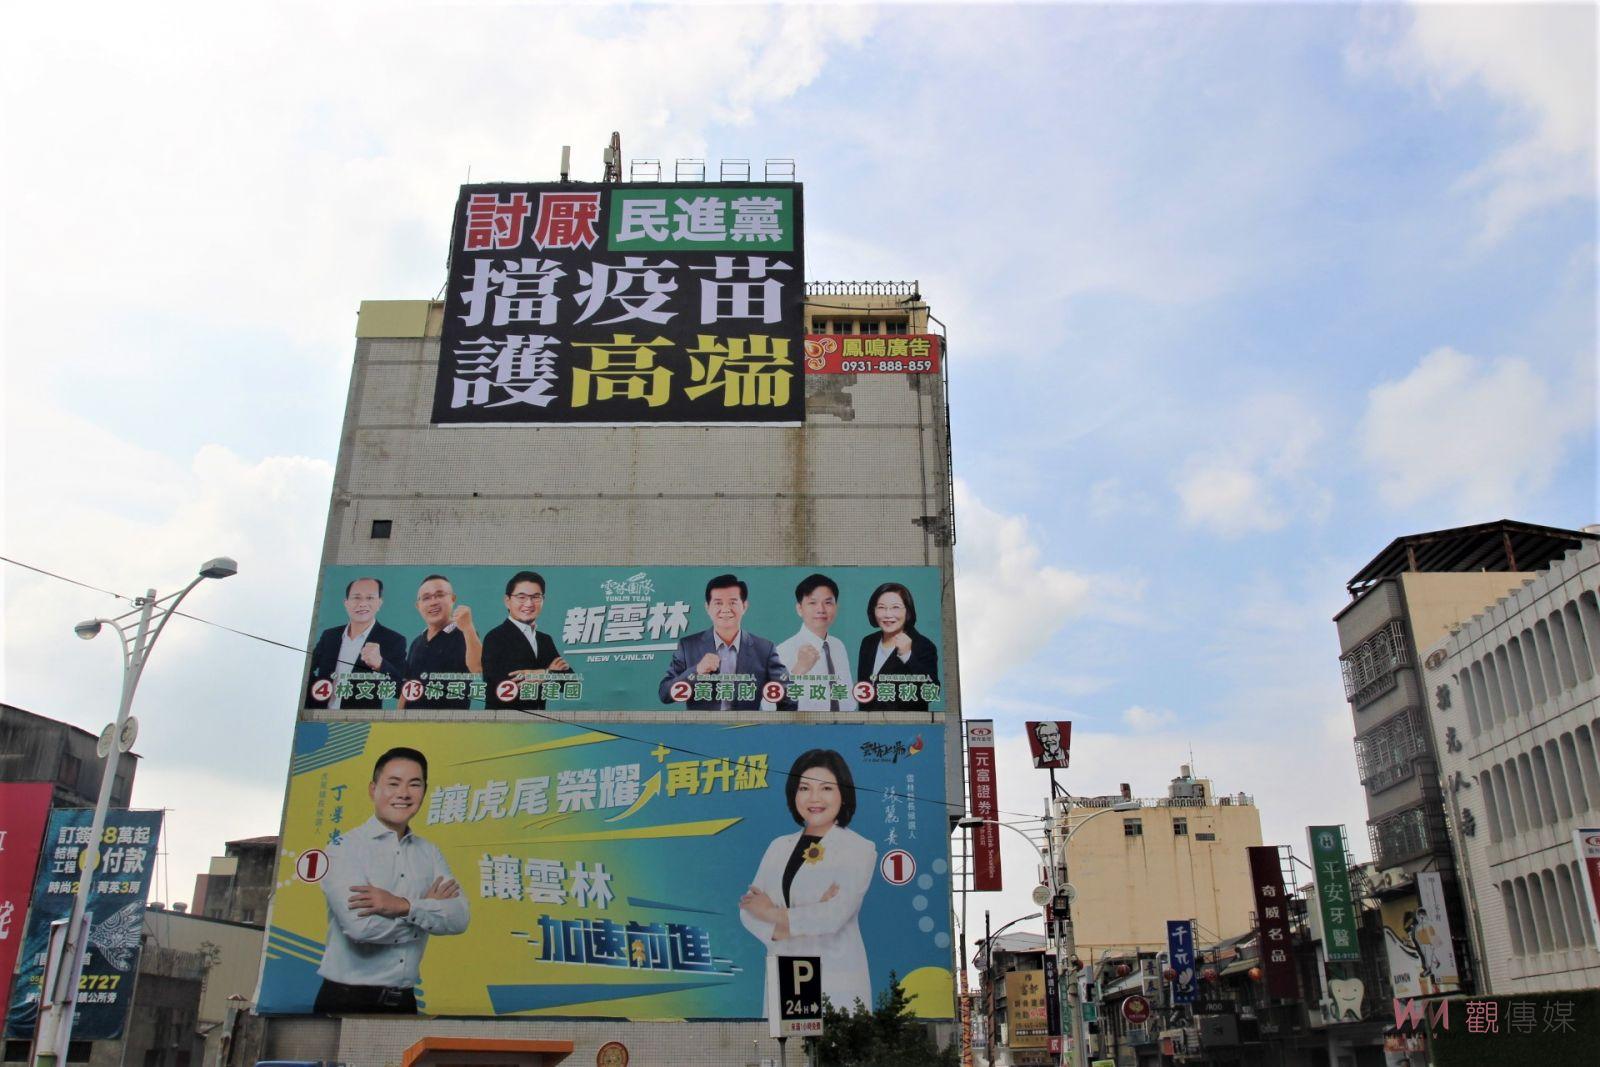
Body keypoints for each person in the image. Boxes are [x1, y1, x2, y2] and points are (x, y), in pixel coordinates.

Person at [313, 747, 469, 1014]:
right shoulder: (344, 849)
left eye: (414, 784)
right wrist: (426, 915)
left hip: (405, 1001)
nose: (404, 793)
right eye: (393, 783)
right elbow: (361, 929)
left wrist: (402, 906)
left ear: (424, 791)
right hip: (346, 999)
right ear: (373, 789)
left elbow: (459, 918)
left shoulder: (429, 852)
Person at [739, 749, 876, 1020]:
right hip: (786, 970)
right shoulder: (779, 846)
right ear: (794, 793)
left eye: (826, 788)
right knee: (784, 1042)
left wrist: (771, 912)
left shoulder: (858, 848)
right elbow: (748, 910)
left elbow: (833, 916)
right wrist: (797, 921)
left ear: (843, 794)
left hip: (834, 973)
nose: (814, 798)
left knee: (834, 1043)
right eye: (804, 788)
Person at [658, 574, 794, 711]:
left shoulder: (764, 649)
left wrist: (772, 724)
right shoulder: (688, 646)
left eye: (733, 602)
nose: (725, 609)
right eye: (718, 603)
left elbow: (789, 695)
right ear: (707, 607)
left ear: (744, 606)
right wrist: (696, 671)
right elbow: (664, 693)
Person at [306, 577, 407, 710]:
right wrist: (315, 696)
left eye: (370, 598)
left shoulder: (393, 640)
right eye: (356, 597)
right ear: (346, 603)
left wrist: (380, 665)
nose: (362, 603)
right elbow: (307, 670)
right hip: (321, 717)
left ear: (379, 603)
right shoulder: (330, 636)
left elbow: (401, 690)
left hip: (361, 719)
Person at [481, 570, 571, 711]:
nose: (529, 603)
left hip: (539, 719)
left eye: (536, 597)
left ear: (543, 600)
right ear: (507, 601)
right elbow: (504, 686)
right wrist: (549, 673)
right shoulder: (495, 637)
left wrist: (544, 674)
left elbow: (570, 681)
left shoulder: (545, 640)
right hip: (504, 719)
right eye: (521, 597)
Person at [399, 574, 482, 711]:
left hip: (447, 721)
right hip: (411, 721)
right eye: (426, 598)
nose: (433, 602)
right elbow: (407, 685)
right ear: (418, 606)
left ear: (452, 599)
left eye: (440, 595)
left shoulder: (464, 633)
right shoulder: (416, 642)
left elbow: (478, 668)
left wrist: (468, 628)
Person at [776, 573, 857, 712]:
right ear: (799, 609)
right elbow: (769, 706)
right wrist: (798, 671)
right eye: (812, 603)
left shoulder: (838, 646)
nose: (821, 609)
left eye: (828, 602)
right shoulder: (782, 651)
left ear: (836, 607)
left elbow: (848, 699)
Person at [855, 582, 939, 711]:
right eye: (881, 607)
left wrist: (907, 656)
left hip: (906, 723)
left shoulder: (923, 645)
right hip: (869, 722)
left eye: (895, 607)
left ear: (908, 611)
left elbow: (931, 692)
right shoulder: (868, 642)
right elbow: (864, 691)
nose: (888, 614)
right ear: (873, 610)